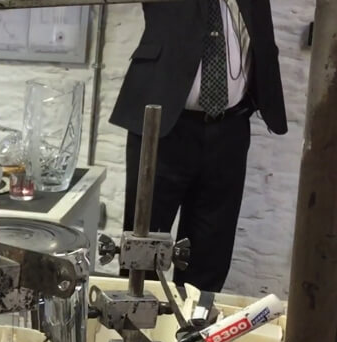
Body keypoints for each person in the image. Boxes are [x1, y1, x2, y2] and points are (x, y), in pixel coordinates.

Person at [110, 0, 287, 292]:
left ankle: (195, 330)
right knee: (143, 248)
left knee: (211, 253)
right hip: (164, 125)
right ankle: (134, 330)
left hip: (229, 128)